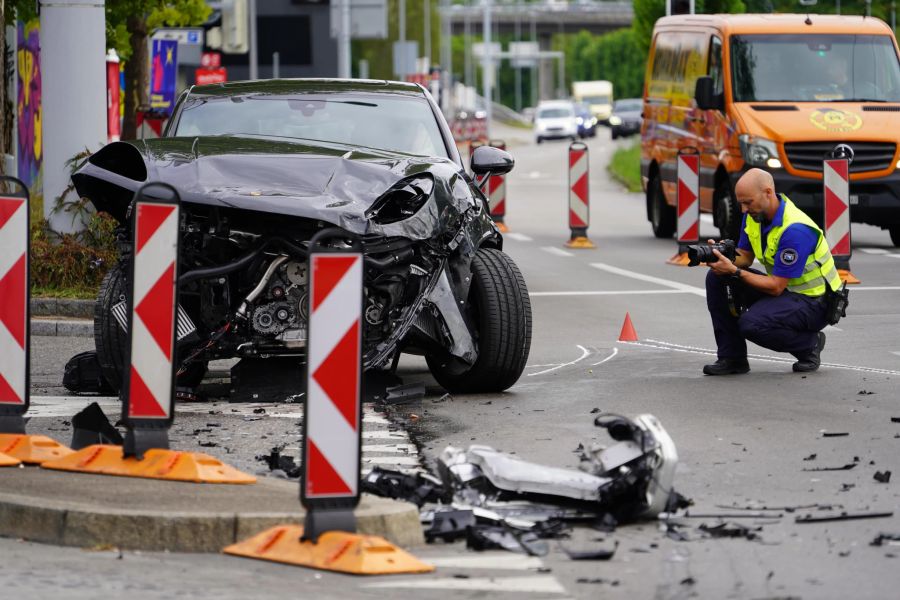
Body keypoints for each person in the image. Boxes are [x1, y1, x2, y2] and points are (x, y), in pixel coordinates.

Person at [702, 168, 843, 375]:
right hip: (788, 292)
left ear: (768, 193)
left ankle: (809, 344)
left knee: (752, 324)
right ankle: (732, 358)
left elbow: (776, 287)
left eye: (747, 202)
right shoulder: (754, 215)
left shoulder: (795, 229)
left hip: (815, 302)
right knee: (717, 278)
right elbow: (745, 257)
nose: (743, 209)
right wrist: (722, 255)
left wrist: (734, 270)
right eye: (740, 202)